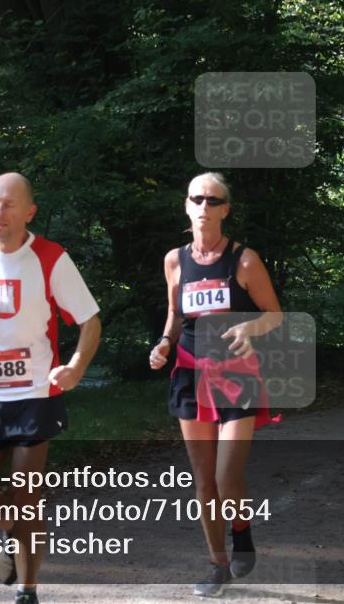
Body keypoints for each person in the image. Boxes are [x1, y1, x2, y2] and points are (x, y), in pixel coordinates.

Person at [0, 172, 101, 604]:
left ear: (30, 212)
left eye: (9, 204)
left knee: (28, 499)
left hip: (34, 395)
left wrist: (76, 367)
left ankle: (27, 592)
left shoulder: (50, 257)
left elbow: (90, 321)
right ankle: (13, 531)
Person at [149, 172, 282, 597]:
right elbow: (175, 314)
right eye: (196, 199)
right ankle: (217, 564)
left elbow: (274, 314)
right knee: (204, 480)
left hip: (237, 376)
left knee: (227, 474)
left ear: (225, 209)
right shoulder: (174, 261)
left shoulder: (244, 260)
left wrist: (249, 328)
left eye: (212, 200)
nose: (203, 206)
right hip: (190, 375)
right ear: (186, 206)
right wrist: (164, 343)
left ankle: (241, 530)